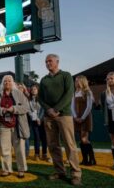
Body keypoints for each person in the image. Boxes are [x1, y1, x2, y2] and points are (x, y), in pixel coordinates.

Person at [39, 54, 82, 186]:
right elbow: (40, 98)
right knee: (53, 145)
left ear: (57, 61)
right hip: (48, 117)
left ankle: (76, 174)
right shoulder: (44, 79)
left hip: (64, 115)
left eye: (50, 61)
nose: (48, 63)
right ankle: (59, 171)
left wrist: (56, 109)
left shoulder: (66, 75)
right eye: (46, 62)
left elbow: (69, 94)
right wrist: (49, 110)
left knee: (70, 145)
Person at [0, 75, 30, 178]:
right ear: (2, 83)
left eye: (9, 81)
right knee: (4, 149)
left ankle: (21, 169)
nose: (7, 83)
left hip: (18, 125)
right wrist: (1, 110)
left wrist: (14, 109)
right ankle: (6, 169)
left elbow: (26, 107)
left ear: (12, 83)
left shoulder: (19, 93)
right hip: (3, 125)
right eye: (5, 81)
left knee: (20, 150)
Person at [71, 75, 96, 166]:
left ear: (83, 81)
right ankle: (85, 159)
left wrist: (82, 118)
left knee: (84, 139)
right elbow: (72, 106)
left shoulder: (88, 92)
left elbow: (89, 106)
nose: (76, 83)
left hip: (85, 118)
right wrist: (75, 116)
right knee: (81, 140)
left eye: (78, 81)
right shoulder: (74, 93)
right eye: (75, 81)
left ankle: (92, 159)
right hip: (76, 118)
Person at [100, 72, 114, 170]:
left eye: (111, 78)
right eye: (108, 79)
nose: (109, 80)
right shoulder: (104, 93)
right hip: (110, 116)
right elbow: (103, 107)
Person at [28, 84, 50, 162]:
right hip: (34, 121)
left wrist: (39, 118)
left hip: (42, 121)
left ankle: (44, 154)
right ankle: (36, 154)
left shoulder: (41, 99)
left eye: (35, 89)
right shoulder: (29, 99)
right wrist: (34, 118)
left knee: (44, 138)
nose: (33, 90)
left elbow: (43, 109)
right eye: (32, 89)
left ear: (38, 90)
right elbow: (29, 110)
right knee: (36, 138)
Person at [17, 83, 31, 159]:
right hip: (17, 118)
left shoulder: (26, 97)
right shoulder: (15, 96)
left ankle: (26, 152)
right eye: (18, 88)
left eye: (21, 88)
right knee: (18, 137)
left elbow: (27, 108)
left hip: (25, 118)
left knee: (25, 135)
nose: (20, 89)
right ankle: (20, 153)